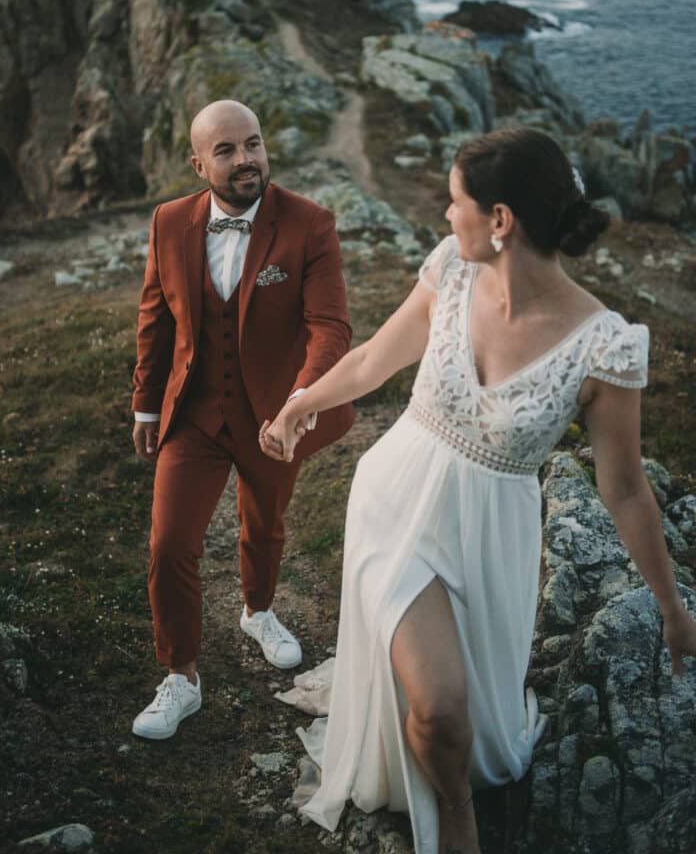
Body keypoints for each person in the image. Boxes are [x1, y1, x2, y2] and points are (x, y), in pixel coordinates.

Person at [259, 126, 696, 854]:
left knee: (466, 714)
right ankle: (455, 810)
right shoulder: (451, 273)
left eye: (456, 202)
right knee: (441, 711)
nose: (445, 217)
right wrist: (301, 402)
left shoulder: (605, 345)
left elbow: (623, 489)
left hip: (493, 536)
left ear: (501, 220)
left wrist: (672, 605)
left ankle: (455, 769)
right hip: (397, 499)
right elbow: (372, 358)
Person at [130, 99, 354, 740]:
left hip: (276, 414)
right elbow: (156, 318)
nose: (245, 159)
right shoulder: (169, 222)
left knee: (265, 525)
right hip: (196, 414)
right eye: (226, 151)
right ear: (199, 163)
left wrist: (299, 403)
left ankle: (258, 611)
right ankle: (180, 676)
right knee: (169, 543)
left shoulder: (308, 223)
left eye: (252, 144)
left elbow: (330, 327)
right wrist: (147, 402)